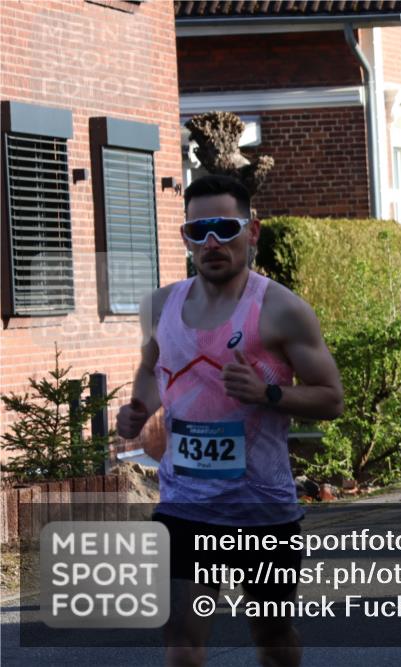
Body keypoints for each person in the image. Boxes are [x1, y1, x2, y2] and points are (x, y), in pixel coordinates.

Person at [116, 174, 345, 667]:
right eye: (199, 231)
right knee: (181, 643)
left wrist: (269, 394)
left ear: (253, 231)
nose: (212, 242)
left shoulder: (282, 310)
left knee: (273, 640)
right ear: (186, 238)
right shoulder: (159, 307)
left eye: (224, 227)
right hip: (183, 507)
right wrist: (138, 409)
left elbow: (331, 399)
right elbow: (153, 370)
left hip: (262, 509)